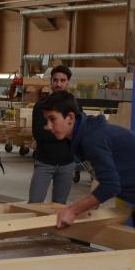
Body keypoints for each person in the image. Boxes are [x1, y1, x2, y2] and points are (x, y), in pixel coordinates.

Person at [41, 91, 135, 237]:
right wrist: (90, 204)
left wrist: (72, 210)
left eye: (52, 119)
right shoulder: (80, 137)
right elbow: (104, 174)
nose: (48, 126)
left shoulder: (92, 139)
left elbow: (111, 186)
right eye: (46, 120)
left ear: (70, 118)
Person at [29, 65, 80, 204]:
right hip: (44, 163)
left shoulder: (75, 106)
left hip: (67, 164)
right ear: (50, 82)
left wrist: (53, 132)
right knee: (34, 203)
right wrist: (64, 133)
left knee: (59, 206)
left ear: (68, 82)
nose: (59, 84)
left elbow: (77, 132)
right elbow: (39, 134)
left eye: (63, 80)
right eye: (55, 80)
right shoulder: (41, 106)